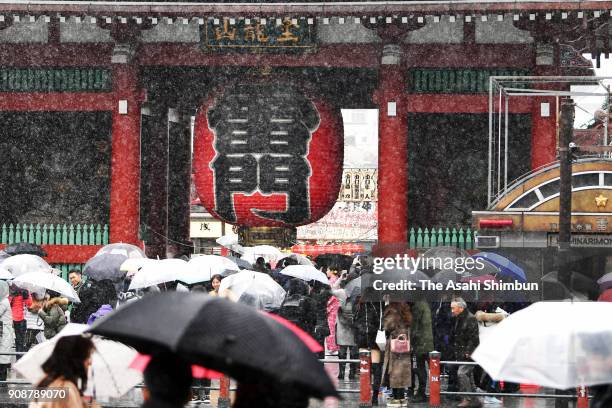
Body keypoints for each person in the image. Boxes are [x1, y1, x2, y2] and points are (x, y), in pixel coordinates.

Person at [29, 335, 99, 408]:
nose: (90, 361)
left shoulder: (46, 382)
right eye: (88, 356)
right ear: (76, 360)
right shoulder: (65, 389)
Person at [450, 298, 482, 408]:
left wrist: (468, 352)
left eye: (453, 308)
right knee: (468, 376)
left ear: (461, 308)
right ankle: (475, 400)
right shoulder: (459, 318)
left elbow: (473, 338)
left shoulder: (470, 318)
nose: (452, 310)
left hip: (469, 353)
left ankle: (468, 399)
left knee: (462, 373)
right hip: (462, 352)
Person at [381, 302, 412, 407]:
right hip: (405, 341)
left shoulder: (392, 309)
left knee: (394, 371)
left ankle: (396, 399)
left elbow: (388, 326)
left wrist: (384, 316)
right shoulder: (406, 308)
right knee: (403, 371)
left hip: (395, 342)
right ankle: (402, 398)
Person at [332, 272, 356, 380]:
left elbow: (332, 289)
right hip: (354, 325)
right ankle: (352, 372)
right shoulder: (358, 292)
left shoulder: (342, 292)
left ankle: (341, 372)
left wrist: (340, 279)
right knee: (353, 350)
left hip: (342, 325)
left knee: (342, 349)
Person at [410, 300, 434, 403]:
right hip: (429, 342)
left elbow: (415, 327)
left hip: (420, 344)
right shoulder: (427, 304)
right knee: (432, 369)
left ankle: (421, 392)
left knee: (419, 369)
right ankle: (434, 392)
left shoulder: (418, 306)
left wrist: (411, 340)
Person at [9, 283, 31, 354]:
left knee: (8, 340)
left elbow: (8, 302)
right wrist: (27, 294)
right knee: (20, 340)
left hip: (10, 318)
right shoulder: (24, 291)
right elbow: (29, 304)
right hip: (21, 318)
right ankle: (19, 357)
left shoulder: (10, 291)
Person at [0, 281, 15, 383]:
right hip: (4, 330)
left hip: (5, 331)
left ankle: (2, 380)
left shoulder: (4, 302)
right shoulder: (4, 301)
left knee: (3, 355)